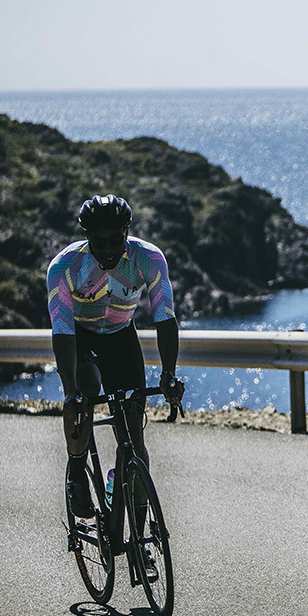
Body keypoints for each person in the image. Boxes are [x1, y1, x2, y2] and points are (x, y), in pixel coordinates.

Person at [47, 194, 185, 521]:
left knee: (135, 442)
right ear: (86, 237)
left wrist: (169, 374)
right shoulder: (65, 267)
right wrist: (70, 391)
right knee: (86, 390)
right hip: (80, 337)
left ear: (127, 231)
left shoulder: (148, 257)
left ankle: (141, 537)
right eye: (99, 242)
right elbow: (62, 331)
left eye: (115, 240)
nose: (108, 249)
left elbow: (165, 317)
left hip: (122, 337)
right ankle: (77, 472)